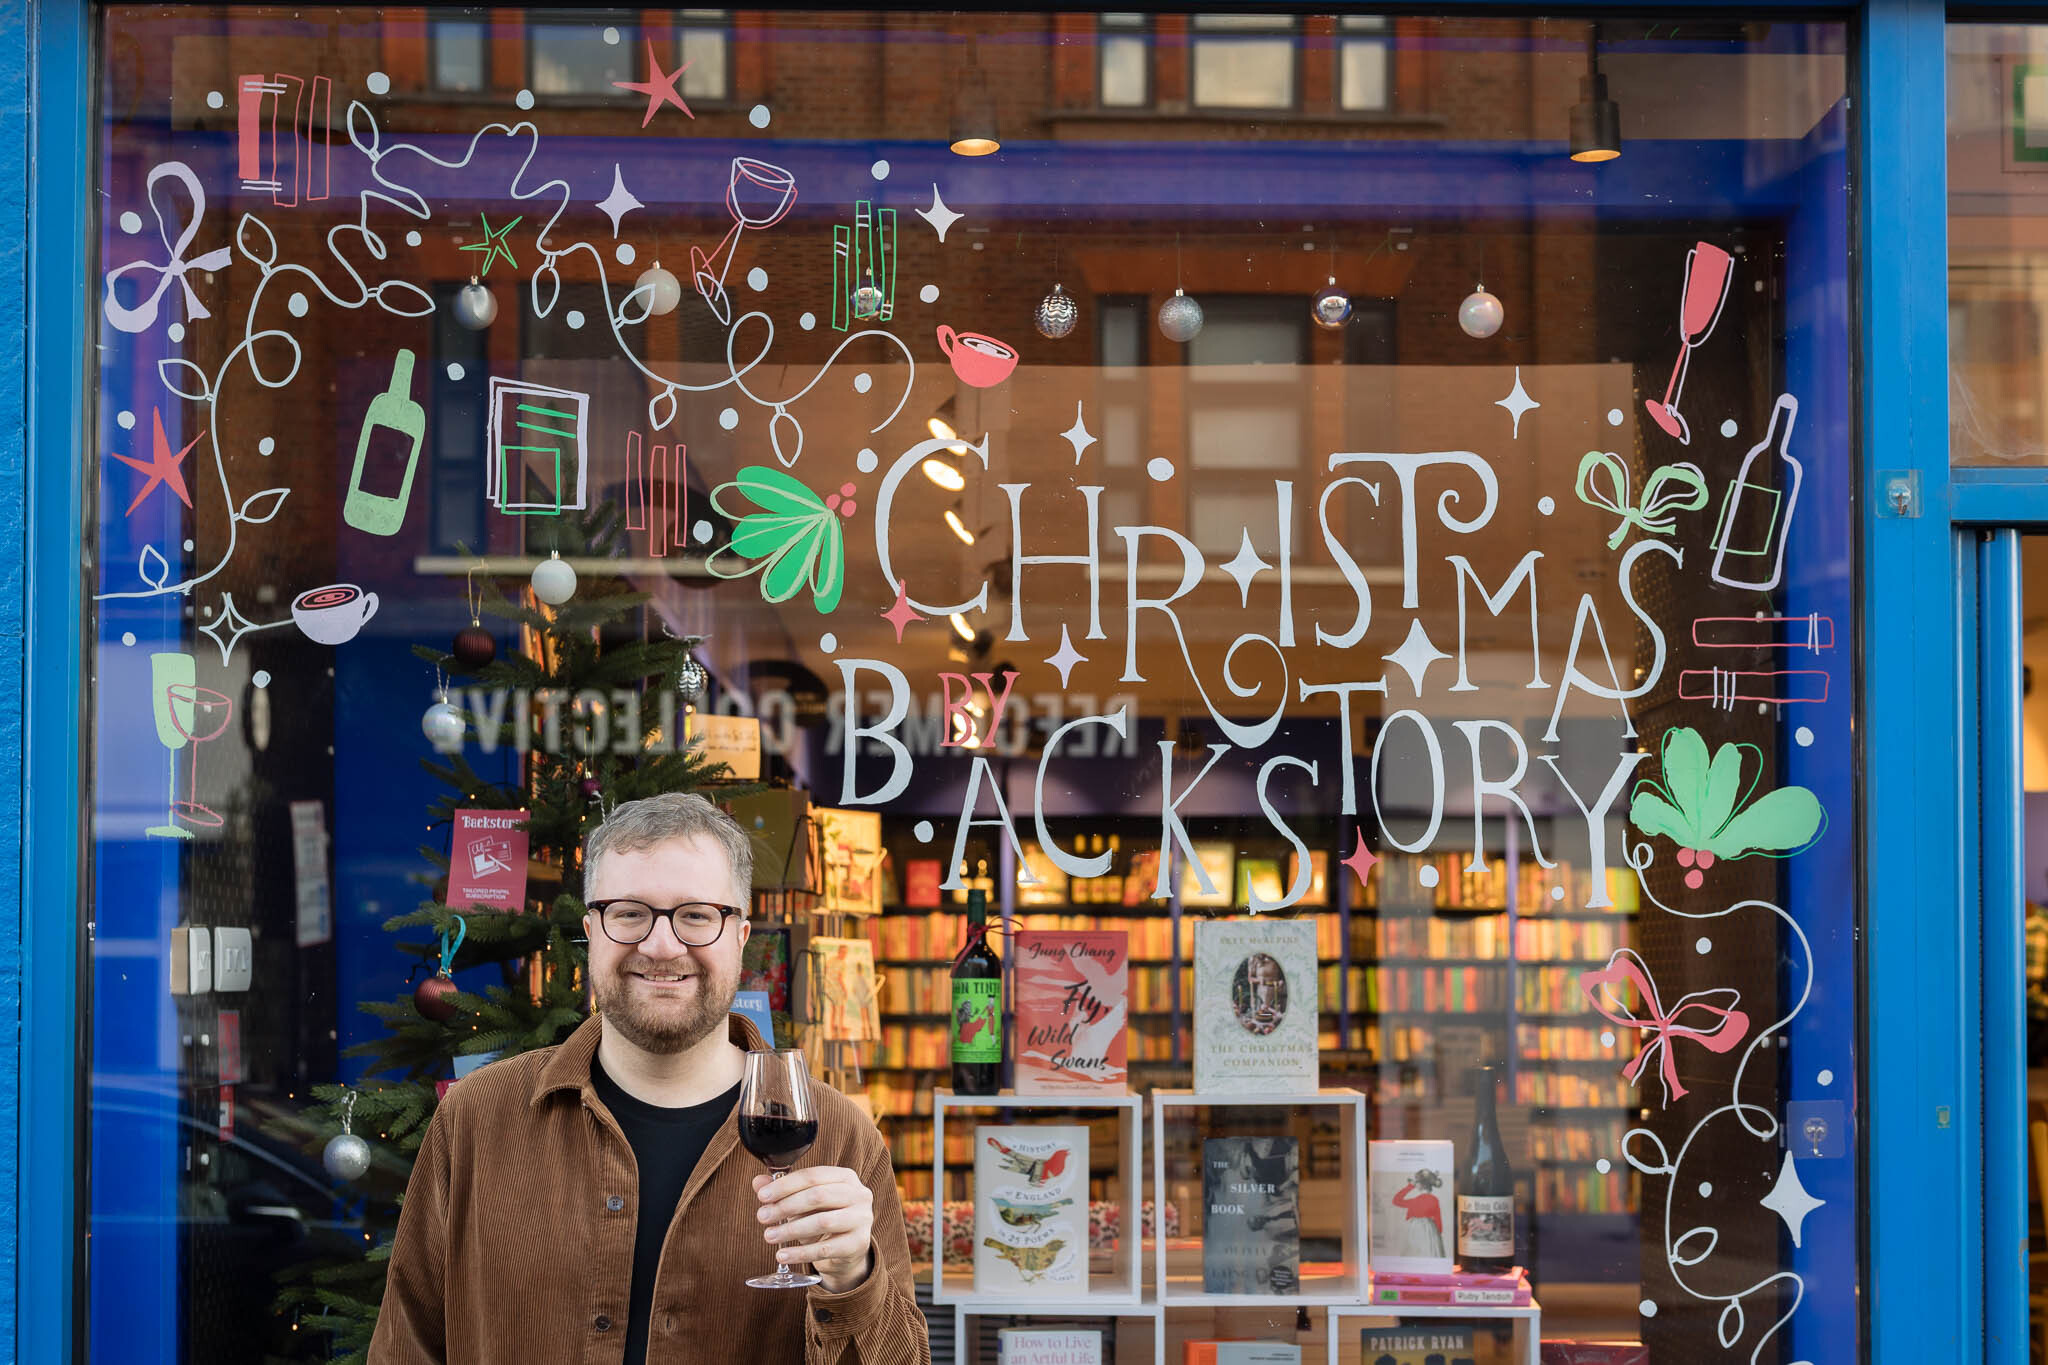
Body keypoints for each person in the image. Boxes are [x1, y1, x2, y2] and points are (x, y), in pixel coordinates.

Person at [369, 792, 929, 1365]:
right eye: (629, 913)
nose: (662, 947)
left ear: (740, 937)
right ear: (592, 930)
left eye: (696, 916)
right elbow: (404, 1347)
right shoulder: (476, 1118)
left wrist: (853, 1277)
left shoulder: (839, 1138)